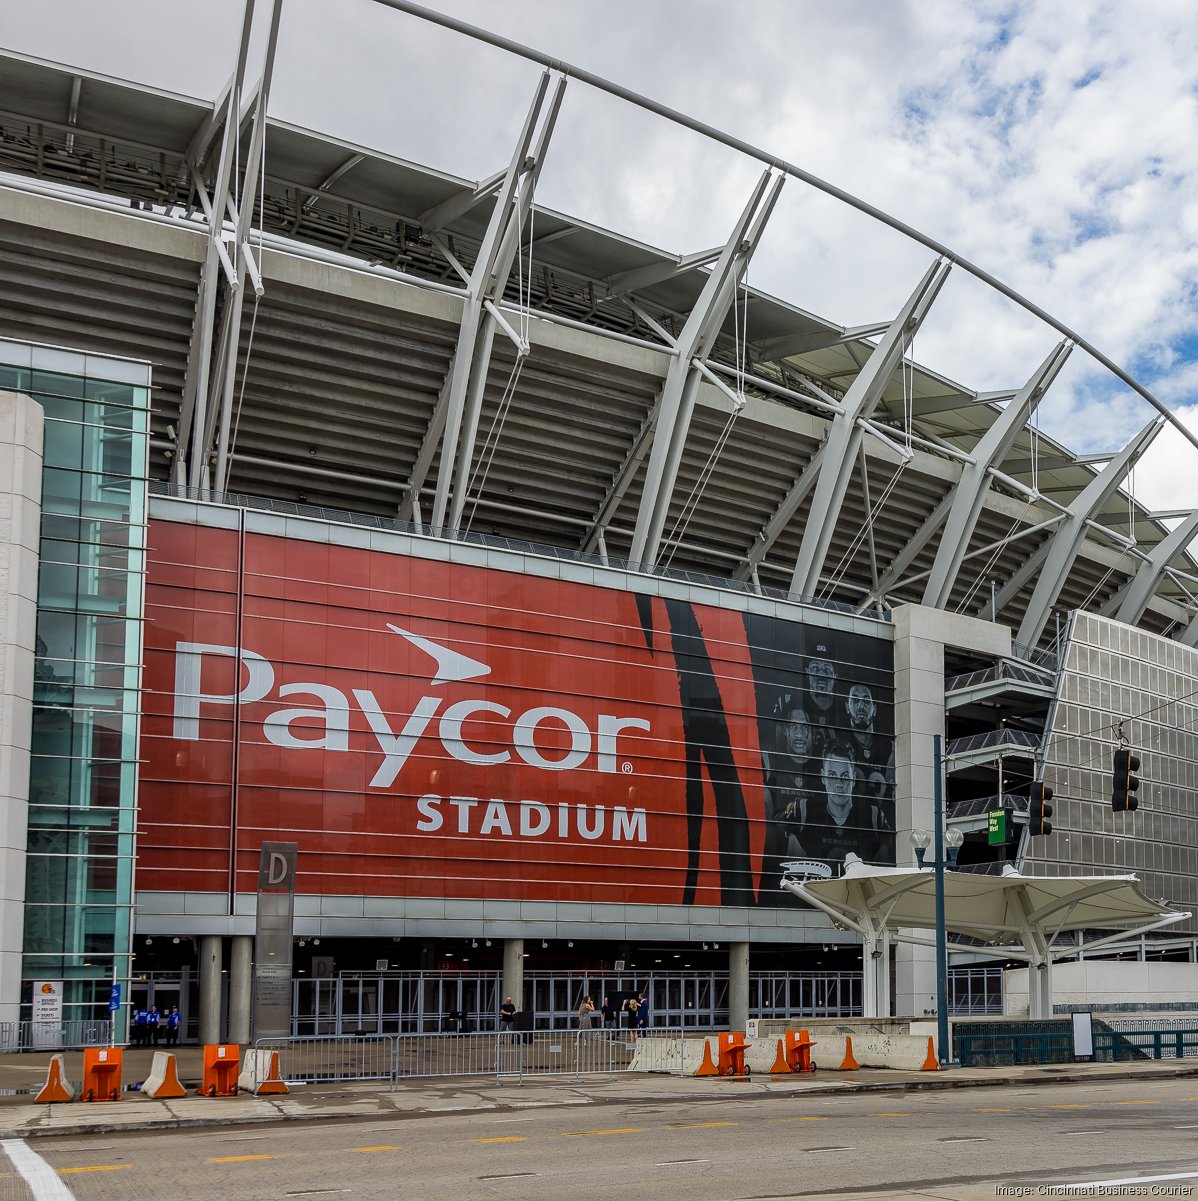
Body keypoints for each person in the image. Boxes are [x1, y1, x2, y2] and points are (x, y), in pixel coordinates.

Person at [798, 743, 888, 869]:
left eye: (845, 776)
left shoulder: (874, 817)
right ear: (823, 777)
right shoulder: (803, 812)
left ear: (854, 779)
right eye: (832, 775)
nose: (839, 784)